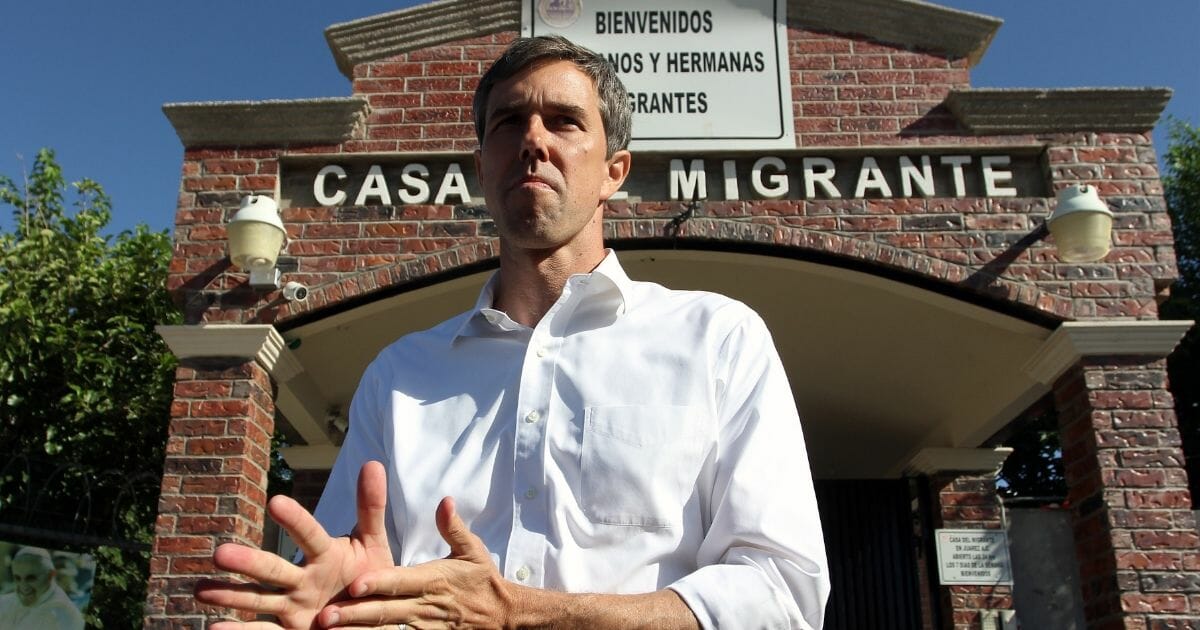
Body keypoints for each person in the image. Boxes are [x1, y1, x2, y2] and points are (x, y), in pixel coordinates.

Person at [196, 35, 829, 629]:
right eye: (508, 122)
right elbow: (356, 575)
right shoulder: (400, 376)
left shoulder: (717, 339)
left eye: (564, 121)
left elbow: (783, 593)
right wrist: (345, 601)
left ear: (615, 170)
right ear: (480, 167)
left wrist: (518, 611)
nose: (533, 139)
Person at [0, 546, 85, 630]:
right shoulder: (5, 602)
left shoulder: (63, 615)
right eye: (17, 578)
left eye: (31, 578)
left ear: (50, 576)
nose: (23, 586)